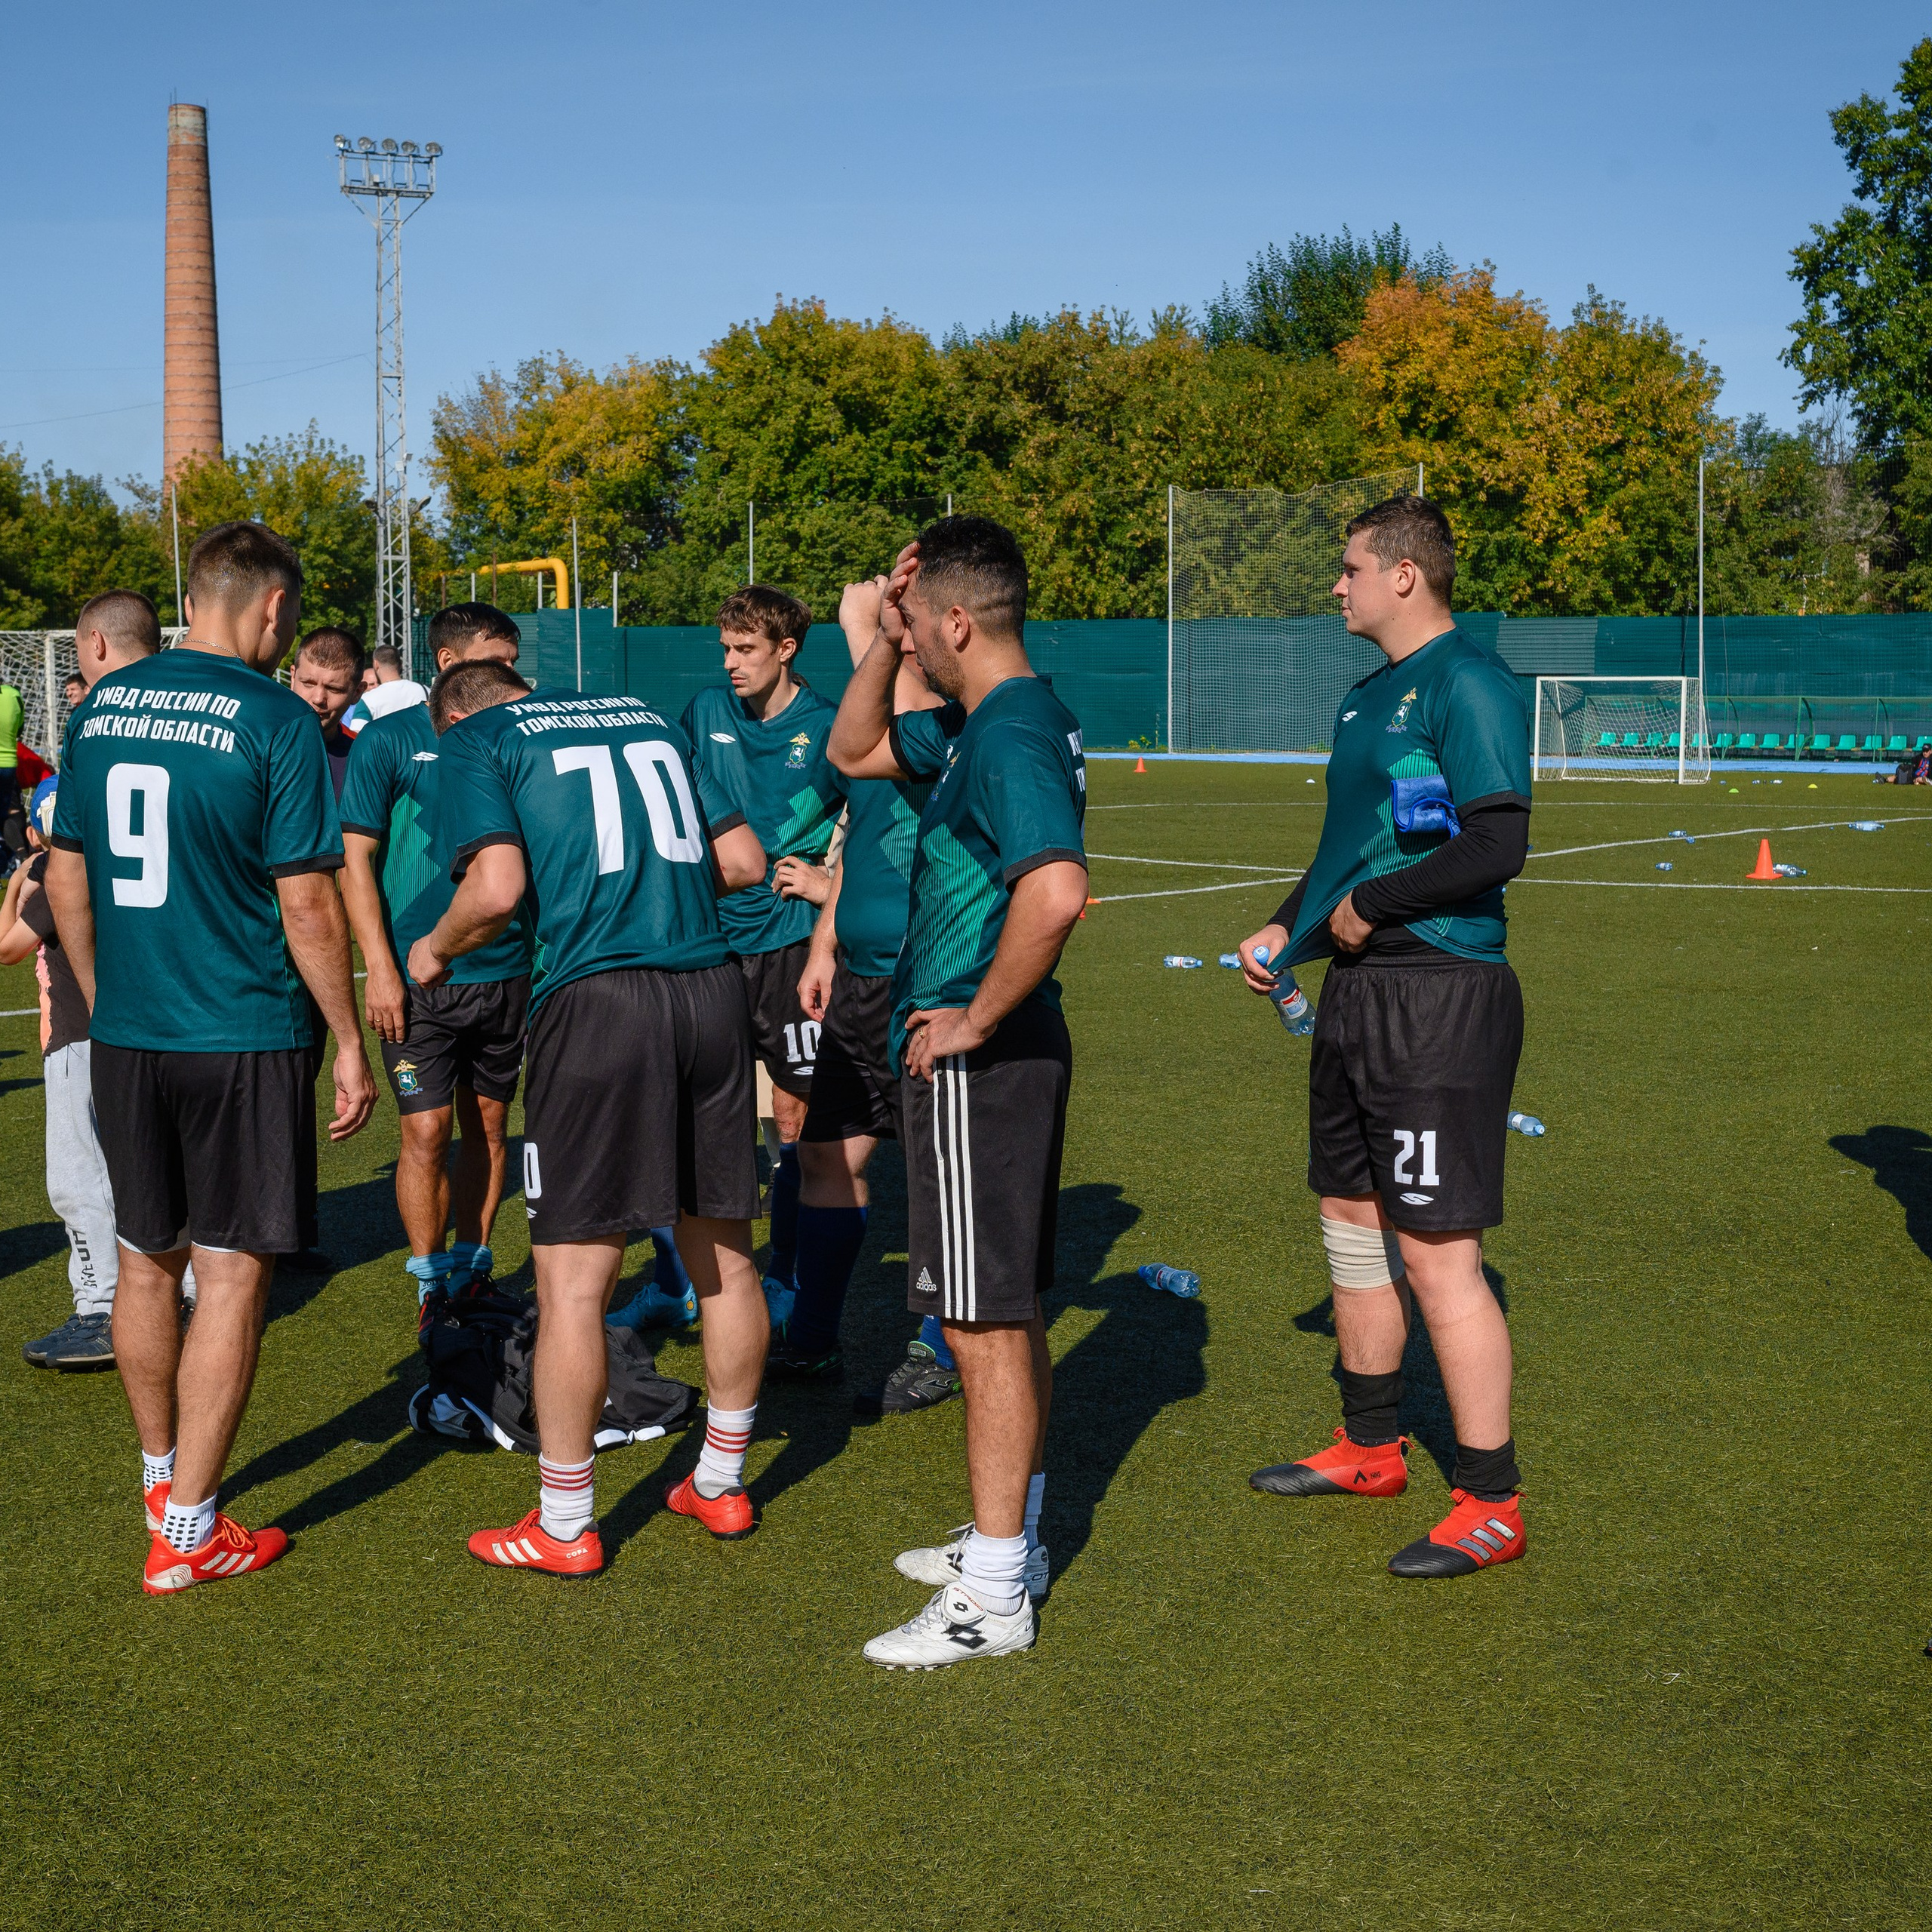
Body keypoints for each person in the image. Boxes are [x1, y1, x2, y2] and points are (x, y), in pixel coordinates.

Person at [45, 521, 375, 1594]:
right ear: (273, 609)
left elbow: (64, 877)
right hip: (240, 1035)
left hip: (130, 1037)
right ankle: (188, 1532)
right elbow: (307, 902)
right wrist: (347, 1041)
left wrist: (103, 1000)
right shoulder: (276, 716)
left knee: (147, 1261)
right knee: (232, 1276)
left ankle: (160, 1480)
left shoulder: (99, 709)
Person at [411, 659, 771, 1578]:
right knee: (722, 1249)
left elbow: (493, 890)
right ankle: (720, 1481)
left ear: (451, 714)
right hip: (710, 989)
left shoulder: (480, 742)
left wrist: (433, 946)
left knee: (572, 1278)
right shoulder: (648, 710)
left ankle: (565, 1524)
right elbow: (742, 863)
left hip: (598, 1003)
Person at [1238, 494, 1533, 1581]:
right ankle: (1370, 1448)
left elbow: (1500, 840)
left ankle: (1492, 1502)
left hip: (1439, 992)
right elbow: (1346, 851)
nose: (1338, 584)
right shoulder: (1368, 698)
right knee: (1350, 1221)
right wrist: (1293, 924)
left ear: (1405, 574)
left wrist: (1378, 910)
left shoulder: (1470, 679)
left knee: (1438, 1253)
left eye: (1351, 567)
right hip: (1362, 990)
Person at [828, 517, 1088, 1670]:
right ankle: (1009, 1539)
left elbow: (1059, 890)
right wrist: (884, 641)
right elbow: (849, 752)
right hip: (992, 1053)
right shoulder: (990, 721)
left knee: (980, 1324)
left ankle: (993, 1594)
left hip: (982, 1056)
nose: (914, 643)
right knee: (1007, 1310)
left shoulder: (1012, 730)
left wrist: (974, 1017)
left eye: (920, 624)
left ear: (960, 622)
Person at [774, 573, 953, 1399]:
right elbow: (858, 841)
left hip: (929, 984)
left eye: (909, 625)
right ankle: (812, 1336)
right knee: (824, 1151)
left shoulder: (956, 724)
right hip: (857, 977)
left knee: (936, 1177)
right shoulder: (877, 723)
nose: (900, 635)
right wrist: (823, 942)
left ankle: (940, 1346)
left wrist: (861, 627)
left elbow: (906, 710)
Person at [339, 604, 531, 1326]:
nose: (516, 676)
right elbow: (354, 862)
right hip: (417, 981)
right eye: (499, 660)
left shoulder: (522, 736)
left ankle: (473, 1270)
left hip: (506, 973)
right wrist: (380, 969)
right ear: (450, 663)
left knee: (487, 1127)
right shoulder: (388, 740)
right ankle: (430, 1283)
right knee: (424, 1132)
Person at [681, 589, 848, 1311]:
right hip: (712, 939)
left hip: (788, 943)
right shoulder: (703, 713)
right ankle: (680, 1281)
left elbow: (882, 826)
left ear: (786, 651)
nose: (730, 663)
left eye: (745, 649)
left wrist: (829, 883)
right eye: (725, 648)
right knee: (693, 1110)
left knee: (793, 1118)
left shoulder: (834, 726)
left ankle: (782, 1272)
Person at [7, 779, 116, 1371]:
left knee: (78, 1177)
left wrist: (17, 884)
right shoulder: (111, 857)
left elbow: (6, 947)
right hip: (133, 1030)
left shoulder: (56, 870)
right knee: (143, 1169)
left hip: (79, 1037)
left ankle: (101, 1308)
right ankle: (185, 1294)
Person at [290, 628, 365, 803]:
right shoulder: (258, 743)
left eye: (334, 689)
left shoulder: (362, 756)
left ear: (357, 692)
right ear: (293, 677)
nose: (318, 699)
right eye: (308, 684)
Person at [343, 642, 429, 736]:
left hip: (385, 750)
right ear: (400, 664)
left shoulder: (367, 699)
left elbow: (356, 735)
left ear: (376, 664)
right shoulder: (425, 691)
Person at [0, 673, 23, 865]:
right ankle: (20, 857)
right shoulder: (14, 695)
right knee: (6, 814)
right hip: (8, 763)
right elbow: (19, 729)